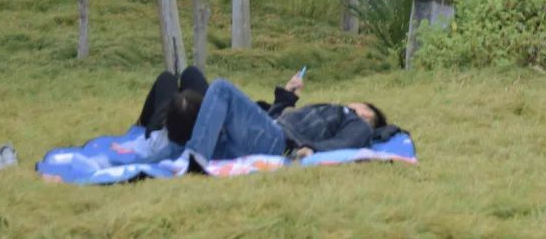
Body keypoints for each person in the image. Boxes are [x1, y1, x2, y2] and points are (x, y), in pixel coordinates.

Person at [137, 68, 388, 166]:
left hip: (275, 142)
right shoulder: (335, 114)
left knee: (222, 88)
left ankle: (195, 160)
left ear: (367, 111)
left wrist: (312, 148)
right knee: (195, 108)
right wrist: (286, 98)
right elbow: (278, 118)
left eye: (358, 104)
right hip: (263, 133)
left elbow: (346, 143)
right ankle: (150, 163)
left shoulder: (356, 122)